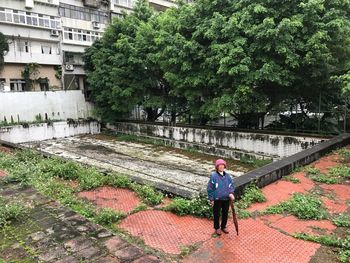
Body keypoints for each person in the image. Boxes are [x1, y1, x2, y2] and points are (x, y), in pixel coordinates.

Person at [207, 159, 235, 235]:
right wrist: (211, 199)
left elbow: (231, 186)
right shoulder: (213, 176)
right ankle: (217, 228)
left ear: (224, 166)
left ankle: (223, 226)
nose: (221, 167)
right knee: (216, 213)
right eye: (220, 165)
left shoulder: (228, 176)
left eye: (223, 165)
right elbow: (210, 188)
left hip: (226, 199)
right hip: (217, 199)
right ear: (217, 167)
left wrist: (231, 193)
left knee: (225, 213)